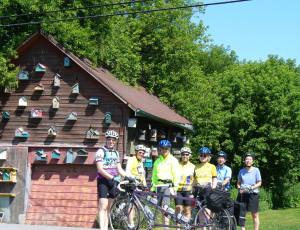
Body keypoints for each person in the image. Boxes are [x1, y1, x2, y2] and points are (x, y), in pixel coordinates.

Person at [95, 130, 127, 230]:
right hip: (103, 181)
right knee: (103, 207)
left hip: (113, 182)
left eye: (113, 140)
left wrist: (129, 176)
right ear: (106, 140)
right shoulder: (101, 151)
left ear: (116, 141)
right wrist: (112, 177)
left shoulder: (116, 153)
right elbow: (100, 169)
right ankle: (102, 228)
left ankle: (106, 227)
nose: (111, 141)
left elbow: (119, 168)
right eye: (109, 139)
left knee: (109, 208)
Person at [151, 139, 180, 228]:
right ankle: (168, 224)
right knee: (162, 209)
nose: (164, 150)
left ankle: (166, 227)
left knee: (165, 208)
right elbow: (154, 176)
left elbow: (176, 174)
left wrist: (175, 188)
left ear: (169, 149)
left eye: (166, 148)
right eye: (162, 148)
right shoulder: (157, 161)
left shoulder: (173, 160)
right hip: (159, 186)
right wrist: (153, 188)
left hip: (168, 186)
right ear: (160, 149)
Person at [237, 152, 262, 230]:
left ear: (253, 161)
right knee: (242, 214)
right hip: (243, 194)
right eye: (246, 159)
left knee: (254, 215)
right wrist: (239, 188)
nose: (248, 160)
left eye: (250, 159)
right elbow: (238, 182)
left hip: (253, 195)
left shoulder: (256, 170)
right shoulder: (241, 171)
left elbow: (259, 182)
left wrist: (251, 188)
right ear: (244, 161)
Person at [175, 147, 195, 224]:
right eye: (183, 154)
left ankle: (187, 226)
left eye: (187, 154)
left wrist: (193, 192)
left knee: (187, 210)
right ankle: (178, 228)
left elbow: (195, 180)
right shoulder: (177, 165)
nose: (185, 156)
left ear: (189, 156)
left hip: (188, 190)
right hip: (178, 190)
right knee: (178, 209)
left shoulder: (193, 166)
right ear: (181, 155)